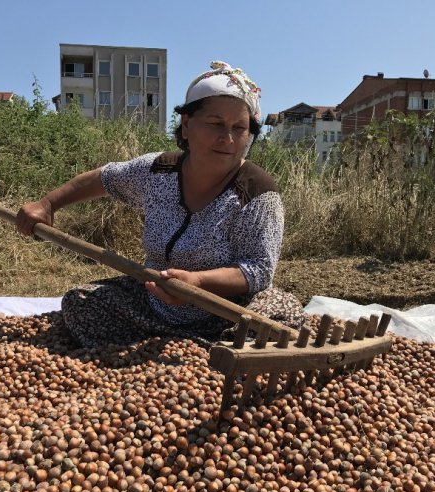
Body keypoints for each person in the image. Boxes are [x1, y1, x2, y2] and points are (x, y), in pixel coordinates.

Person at [16, 61, 305, 347]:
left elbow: (257, 269)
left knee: (282, 311)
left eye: (239, 128)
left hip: (226, 313)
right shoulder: (158, 171)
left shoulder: (256, 191)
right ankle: (200, 348)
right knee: (81, 303)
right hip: (156, 304)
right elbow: (102, 179)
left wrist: (198, 283)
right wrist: (47, 204)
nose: (227, 138)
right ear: (187, 125)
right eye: (215, 124)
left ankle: (195, 346)